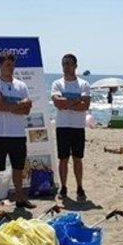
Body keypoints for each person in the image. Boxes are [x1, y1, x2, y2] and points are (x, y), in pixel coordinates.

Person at [0, 51, 36, 210]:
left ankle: (20, 199)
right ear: (0, 65)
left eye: (13, 64)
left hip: (18, 134)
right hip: (0, 133)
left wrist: (11, 105)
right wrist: (19, 104)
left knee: (18, 168)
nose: (11, 67)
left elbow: (27, 111)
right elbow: (1, 106)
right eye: (8, 64)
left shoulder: (21, 85)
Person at [51, 53, 92, 201]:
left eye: (69, 64)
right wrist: (76, 99)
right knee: (63, 159)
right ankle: (63, 186)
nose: (66, 67)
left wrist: (67, 102)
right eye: (64, 64)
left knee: (77, 159)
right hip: (62, 126)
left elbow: (85, 106)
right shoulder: (57, 84)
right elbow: (58, 104)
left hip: (77, 127)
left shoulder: (83, 84)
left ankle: (80, 186)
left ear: (75, 65)